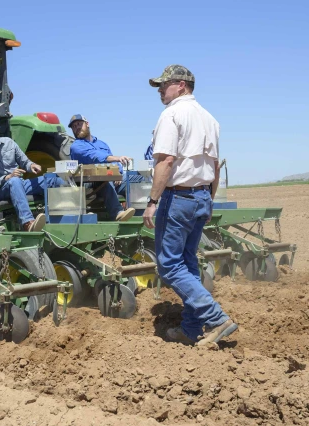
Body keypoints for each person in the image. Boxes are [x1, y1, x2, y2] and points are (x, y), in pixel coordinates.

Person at [143, 64, 237, 346]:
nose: (160, 90)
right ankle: (191, 329)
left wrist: (152, 201)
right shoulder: (210, 119)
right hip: (201, 197)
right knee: (187, 264)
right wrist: (208, 200)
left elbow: (166, 161)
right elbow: (215, 167)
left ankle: (217, 318)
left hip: (178, 198)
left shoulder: (172, 114)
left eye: (164, 84)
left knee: (169, 266)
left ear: (181, 85)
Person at [0, 114, 64, 232]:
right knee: (14, 181)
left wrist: (32, 165)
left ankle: (65, 216)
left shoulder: (9, 143)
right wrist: (7, 177)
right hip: (1, 190)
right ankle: (27, 223)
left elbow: (24, 161)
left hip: (20, 183)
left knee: (53, 178)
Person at [68, 115, 135, 222]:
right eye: (74, 126)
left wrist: (118, 172)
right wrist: (118, 159)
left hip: (113, 179)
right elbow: (95, 156)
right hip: (89, 183)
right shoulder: (76, 146)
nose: (77, 127)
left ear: (87, 124)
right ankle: (118, 213)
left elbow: (113, 162)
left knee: (138, 177)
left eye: (79, 124)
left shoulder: (102, 144)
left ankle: (142, 212)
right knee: (104, 179)